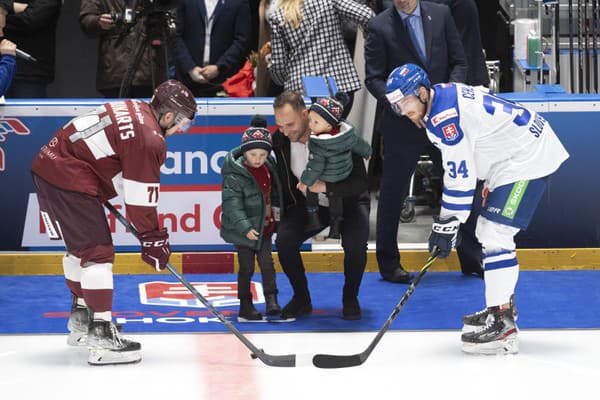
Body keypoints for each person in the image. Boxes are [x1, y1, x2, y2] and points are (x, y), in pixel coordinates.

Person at [385, 63, 569, 354]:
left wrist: (448, 222)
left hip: (526, 156)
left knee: (495, 233)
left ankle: (503, 325)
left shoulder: (443, 117)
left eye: (405, 102)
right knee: (489, 231)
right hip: (513, 156)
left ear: (421, 92)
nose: (403, 111)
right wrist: (450, 220)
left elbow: (459, 176)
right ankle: (501, 307)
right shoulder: (441, 97)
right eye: (396, 107)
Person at [30, 80, 197, 365]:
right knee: (97, 254)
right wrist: (152, 237)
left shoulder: (135, 108)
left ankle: (83, 320)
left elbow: (109, 156)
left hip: (48, 167)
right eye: (182, 123)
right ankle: (102, 337)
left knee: (79, 252)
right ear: (169, 116)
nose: (181, 130)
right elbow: (140, 202)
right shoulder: (151, 137)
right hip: (69, 178)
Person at [364, 0, 467, 283]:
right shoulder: (379, 25)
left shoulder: (442, 14)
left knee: (463, 183)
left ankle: (471, 257)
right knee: (391, 195)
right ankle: (388, 264)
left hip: (444, 119)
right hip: (402, 126)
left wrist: (445, 96)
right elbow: (374, 78)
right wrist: (402, 107)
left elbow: (459, 62)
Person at [271, 91, 370, 321]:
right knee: (285, 241)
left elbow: (360, 182)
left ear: (305, 115)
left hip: (349, 201)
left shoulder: (340, 135)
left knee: (356, 246)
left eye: (290, 124)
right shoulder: (280, 140)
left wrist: (326, 187)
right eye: (280, 125)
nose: (285, 131)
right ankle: (301, 298)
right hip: (309, 205)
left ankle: (350, 297)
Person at [220, 115, 282, 321]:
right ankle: (245, 303)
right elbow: (232, 205)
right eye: (253, 154)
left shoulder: (268, 168)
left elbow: (275, 195)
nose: (258, 158)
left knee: (267, 263)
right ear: (244, 152)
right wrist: (245, 226)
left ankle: (272, 299)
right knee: (246, 267)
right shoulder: (234, 174)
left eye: (263, 154)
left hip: (264, 227)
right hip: (244, 231)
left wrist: (277, 217)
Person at [267, 0, 374, 116]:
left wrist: (282, 77)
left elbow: (278, 68)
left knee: (308, 133)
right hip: (339, 84)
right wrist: (368, 34)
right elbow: (368, 16)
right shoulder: (328, 1)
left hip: (302, 90)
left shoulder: (278, 17)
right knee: (335, 131)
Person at [297, 94, 371, 239]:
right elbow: (359, 144)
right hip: (343, 172)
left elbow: (315, 166)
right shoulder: (347, 133)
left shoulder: (320, 143)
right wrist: (367, 152)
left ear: (329, 126)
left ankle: (313, 218)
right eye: (310, 120)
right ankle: (335, 227)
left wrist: (305, 181)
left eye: (316, 122)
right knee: (335, 196)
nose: (311, 125)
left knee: (311, 189)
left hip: (326, 174)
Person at [172, 0, 251, 97]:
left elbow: (241, 40)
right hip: (187, 80)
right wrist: (190, 67)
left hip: (225, 81)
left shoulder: (238, 2)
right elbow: (176, 36)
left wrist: (219, 67)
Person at [79, 0, 154, 98]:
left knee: (149, 111)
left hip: (148, 68)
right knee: (118, 111)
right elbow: (86, 20)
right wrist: (98, 21)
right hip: (115, 66)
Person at [3, 0, 62, 98]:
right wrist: (12, 7)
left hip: (29, 73)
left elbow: (29, 20)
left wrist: (4, 9)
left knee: (27, 111)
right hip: (3, 69)